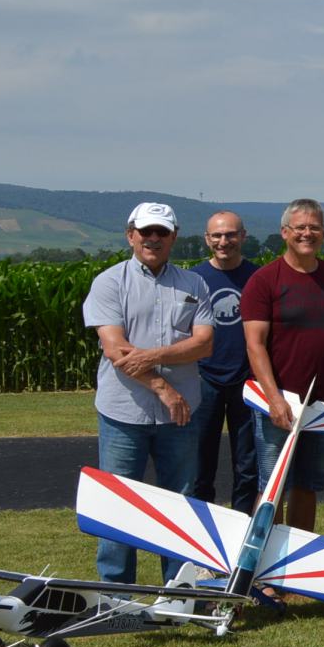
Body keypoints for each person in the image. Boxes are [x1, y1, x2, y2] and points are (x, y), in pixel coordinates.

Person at [82, 202, 214, 582]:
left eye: (161, 232)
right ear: (131, 235)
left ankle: (180, 588)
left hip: (181, 416)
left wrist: (151, 355)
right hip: (125, 412)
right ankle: (116, 594)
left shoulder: (194, 284)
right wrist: (162, 387)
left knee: (180, 505)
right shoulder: (109, 283)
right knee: (119, 504)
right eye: (146, 231)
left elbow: (204, 344)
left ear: (173, 237)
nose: (153, 238)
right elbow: (115, 350)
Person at [241, 198, 324, 535]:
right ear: (285, 232)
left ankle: (296, 556)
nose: (307, 233)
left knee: (308, 485)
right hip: (278, 401)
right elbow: (254, 344)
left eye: (314, 228)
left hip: (321, 403)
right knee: (272, 486)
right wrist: (274, 398)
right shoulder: (265, 280)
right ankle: (263, 557)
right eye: (300, 227)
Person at [188, 210, 260, 514]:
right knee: (199, 463)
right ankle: (202, 527)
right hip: (203, 380)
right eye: (216, 235)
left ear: (243, 236)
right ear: (207, 239)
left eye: (230, 234)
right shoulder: (194, 280)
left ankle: (241, 526)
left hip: (247, 380)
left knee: (247, 465)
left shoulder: (258, 278)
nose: (223, 241)